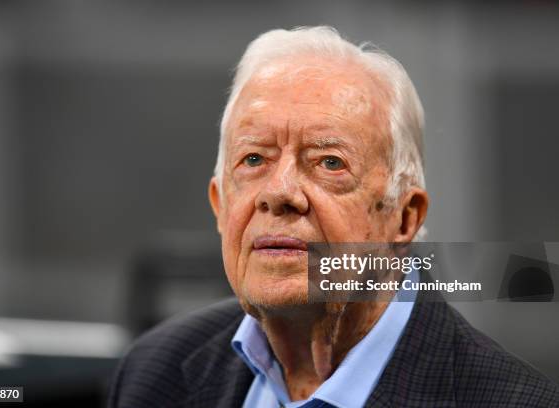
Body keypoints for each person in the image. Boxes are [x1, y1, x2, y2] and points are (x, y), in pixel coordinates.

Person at [109, 26, 559, 407]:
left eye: (328, 162)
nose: (279, 194)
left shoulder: (511, 399)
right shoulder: (154, 372)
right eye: (253, 160)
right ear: (220, 208)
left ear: (404, 218)